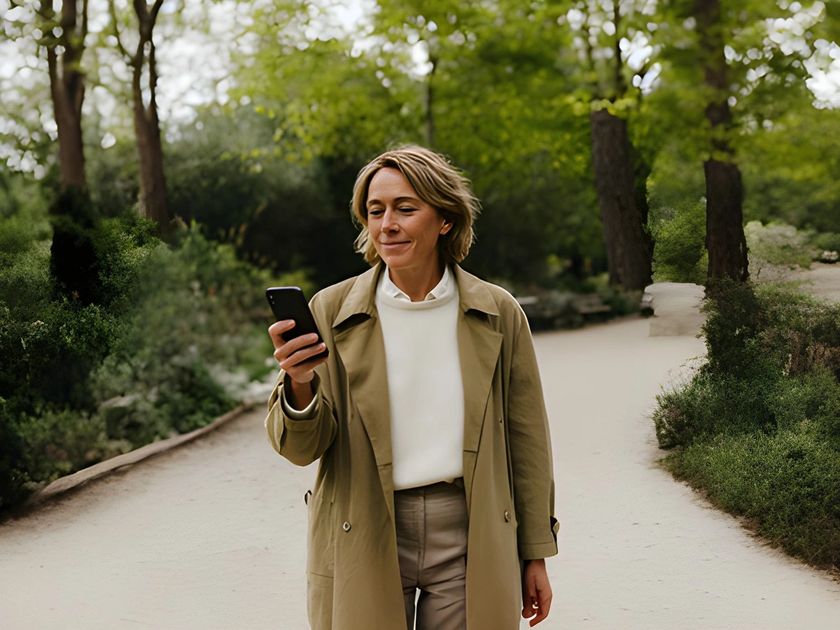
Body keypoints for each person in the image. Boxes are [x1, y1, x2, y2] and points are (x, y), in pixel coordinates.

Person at [265, 145, 558, 630]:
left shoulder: (498, 312)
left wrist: (535, 553)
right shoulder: (330, 310)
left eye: (405, 208)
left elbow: (527, 441)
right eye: (375, 211)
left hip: (470, 528)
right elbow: (301, 450)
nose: (387, 225)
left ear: (444, 219)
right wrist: (299, 384)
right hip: (362, 523)